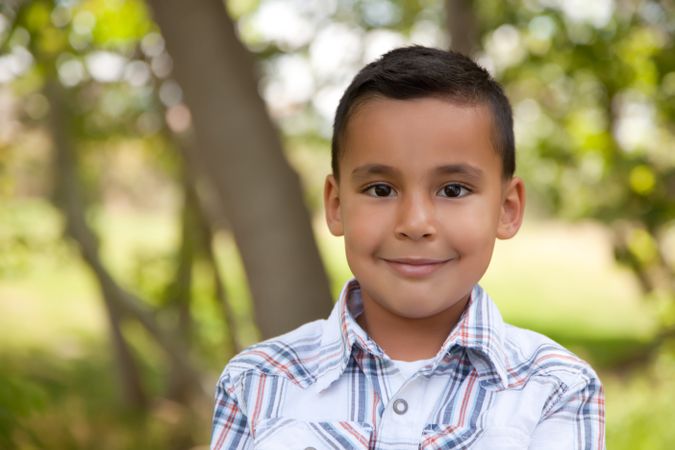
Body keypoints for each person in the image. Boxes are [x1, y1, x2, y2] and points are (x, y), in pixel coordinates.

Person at [210, 46, 605, 450]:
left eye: (453, 190)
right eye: (381, 189)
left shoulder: (555, 388)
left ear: (506, 209)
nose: (415, 223)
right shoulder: (257, 382)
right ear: (336, 205)